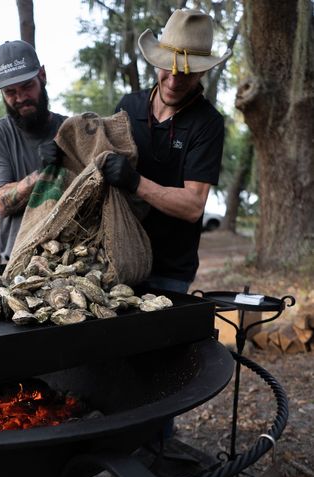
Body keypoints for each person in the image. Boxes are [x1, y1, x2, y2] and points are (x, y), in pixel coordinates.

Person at [101, 8, 232, 294]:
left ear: (203, 71)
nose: (173, 81)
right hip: (116, 257)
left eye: (186, 73)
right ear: (156, 61)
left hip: (169, 272)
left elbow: (193, 207)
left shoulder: (207, 123)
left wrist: (134, 181)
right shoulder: (128, 106)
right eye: (167, 68)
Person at [0, 40, 67, 264]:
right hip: (16, 260)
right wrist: (42, 174)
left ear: (42, 76)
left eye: (27, 86)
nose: (20, 98)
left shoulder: (70, 131)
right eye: (10, 92)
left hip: (70, 258)